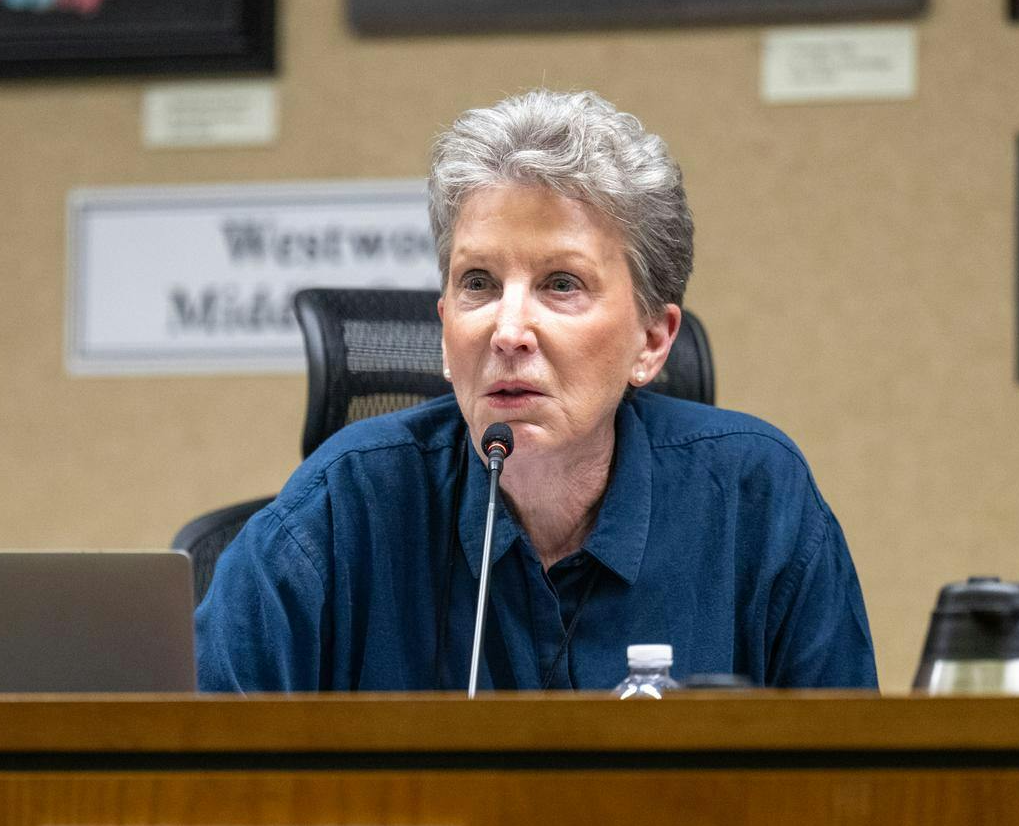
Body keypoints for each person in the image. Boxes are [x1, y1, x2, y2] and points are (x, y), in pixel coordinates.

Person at [196, 89, 876, 692]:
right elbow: (188, 768)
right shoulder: (341, 508)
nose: (508, 329)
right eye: (479, 283)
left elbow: (854, 794)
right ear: (444, 328)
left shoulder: (757, 502)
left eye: (561, 283)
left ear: (652, 341)